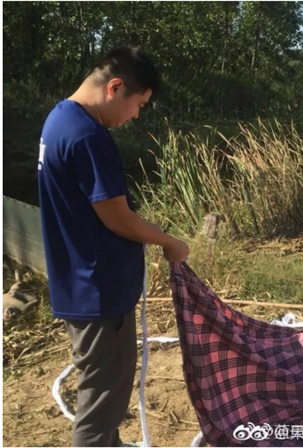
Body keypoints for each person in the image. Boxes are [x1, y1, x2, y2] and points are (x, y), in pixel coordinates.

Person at [37, 47, 189, 447]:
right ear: (115, 87)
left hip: (80, 284)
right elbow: (118, 218)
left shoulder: (60, 119)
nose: (136, 115)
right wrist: (170, 242)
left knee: (106, 384)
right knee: (103, 397)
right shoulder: (88, 136)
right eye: (139, 104)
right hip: (98, 293)